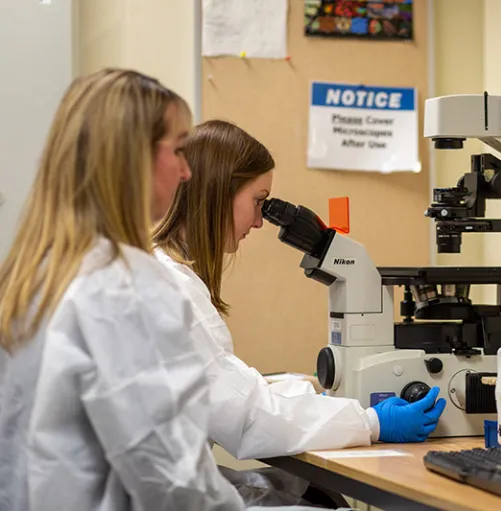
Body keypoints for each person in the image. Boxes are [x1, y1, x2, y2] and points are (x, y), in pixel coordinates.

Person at [0, 69, 245, 510]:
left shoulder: (32, 275)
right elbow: (173, 479)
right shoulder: (123, 286)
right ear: (132, 157)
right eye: (179, 150)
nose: (187, 172)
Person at [152, 120, 447, 462]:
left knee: (298, 488)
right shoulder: (172, 291)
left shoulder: (164, 275)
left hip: (169, 476)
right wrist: (371, 423)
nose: (259, 221)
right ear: (219, 192)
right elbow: (248, 418)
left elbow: (239, 391)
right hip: (165, 484)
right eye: (258, 201)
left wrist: (322, 407)